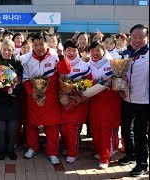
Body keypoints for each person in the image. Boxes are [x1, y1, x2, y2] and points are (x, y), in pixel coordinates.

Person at [21, 32, 71, 165]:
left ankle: (52, 152)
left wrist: (61, 56)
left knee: (52, 126)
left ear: (46, 44)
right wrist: (31, 92)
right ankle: (32, 147)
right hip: (33, 97)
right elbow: (25, 78)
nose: (38, 47)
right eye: (35, 45)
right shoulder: (26, 58)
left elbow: (66, 71)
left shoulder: (55, 55)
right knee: (31, 124)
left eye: (41, 44)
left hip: (51, 97)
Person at [118, 24, 149, 177]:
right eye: (134, 37)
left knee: (140, 134)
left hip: (144, 102)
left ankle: (142, 164)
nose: (137, 40)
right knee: (125, 129)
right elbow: (117, 72)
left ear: (147, 38)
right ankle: (130, 155)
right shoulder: (124, 54)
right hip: (126, 99)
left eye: (141, 37)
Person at [88, 41, 121, 169]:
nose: (95, 53)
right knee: (95, 127)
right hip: (94, 100)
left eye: (97, 50)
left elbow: (120, 79)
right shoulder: (87, 64)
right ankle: (99, 150)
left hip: (110, 100)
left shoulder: (113, 63)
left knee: (106, 128)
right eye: (92, 51)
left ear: (103, 50)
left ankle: (105, 157)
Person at [59, 39, 92, 163]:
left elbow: (90, 82)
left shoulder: (84, 65)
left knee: (73, 128)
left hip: (78, 102)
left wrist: (78, 87)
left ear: (78, 51)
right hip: (64, 102)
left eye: (74, 50)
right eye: (68, 50)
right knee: (64, 128)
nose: (71, 53)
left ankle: (73, 152)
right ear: (64, 51)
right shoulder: (60, 63)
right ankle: (68, 147)